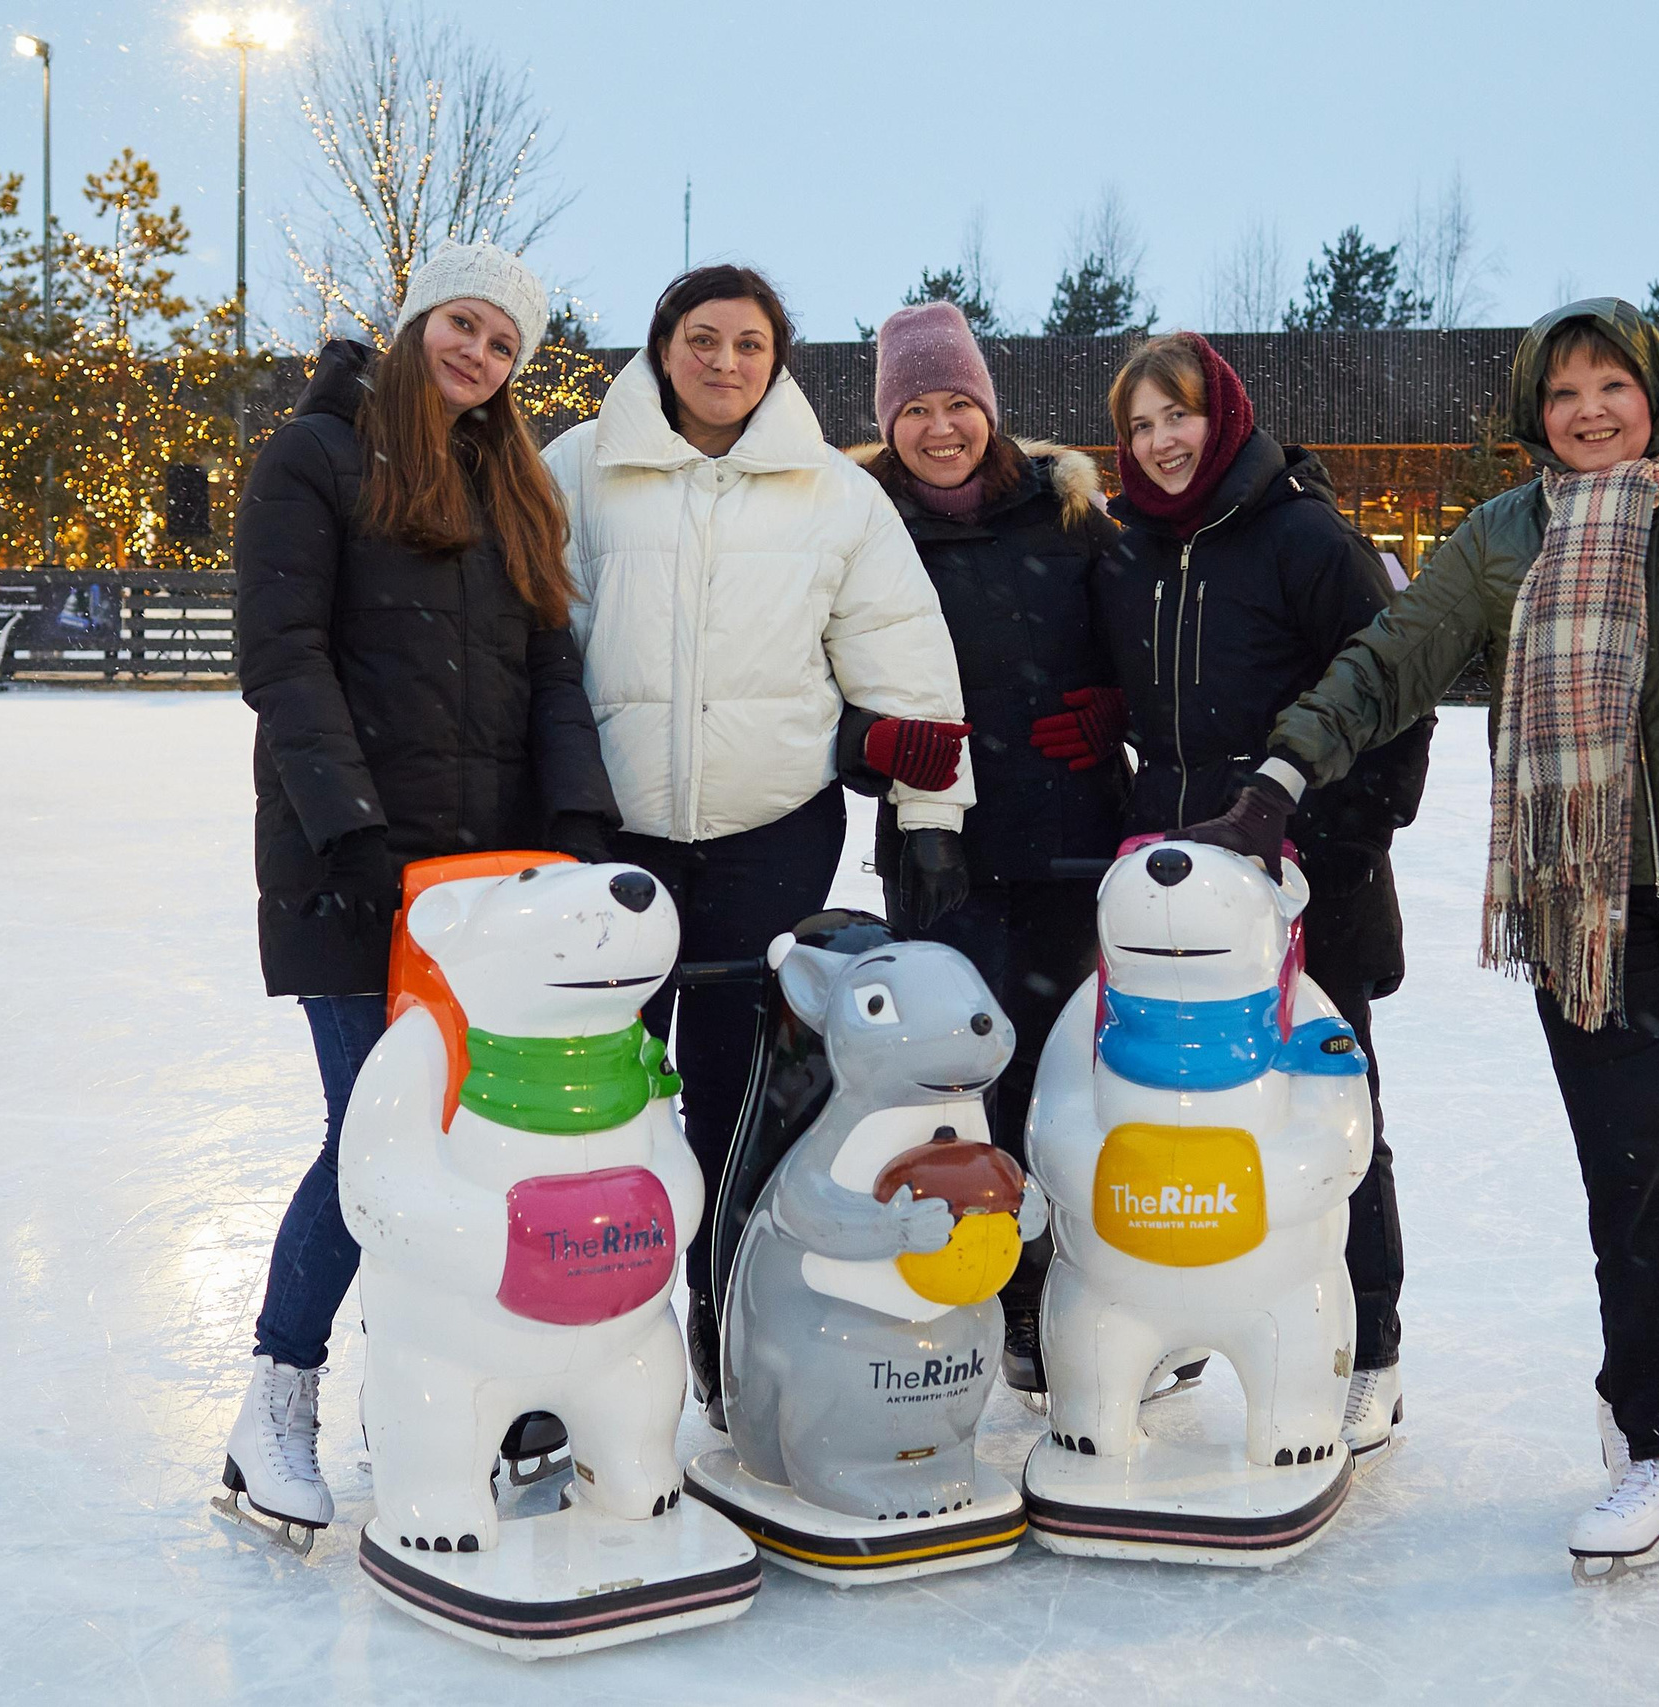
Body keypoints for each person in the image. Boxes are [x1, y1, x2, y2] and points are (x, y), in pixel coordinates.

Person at [1188, 298, 1659, 1571]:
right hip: (1577, 897)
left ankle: (1639, 1385)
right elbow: (1388, 661)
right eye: (1563, 393)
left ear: (1651, 396)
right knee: (1633, 1170)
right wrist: (1282, 774)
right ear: (1534, 414)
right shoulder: (1500, 537)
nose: (1589, 411)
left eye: (1611, 385)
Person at [224, 242, 619, 1542]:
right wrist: (351, 833)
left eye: (504, 344)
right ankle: (278, 1396)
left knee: (485, 1141)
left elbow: (548, 668)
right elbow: (284, 656)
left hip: (483, 886)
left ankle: (469, 1394)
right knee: (374, 1140)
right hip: (348, 871)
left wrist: (573, 819)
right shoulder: (314, 457)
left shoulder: (512, 483)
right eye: (463, 324)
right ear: (414, 323)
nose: (479, 355)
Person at [543, 265, 972, 1412]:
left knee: (739, 1094)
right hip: (611, 843)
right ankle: (585, 1327)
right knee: (594, 1092)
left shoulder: (832, 492)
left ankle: (723, 1310)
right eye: (702, 338)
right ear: (661, 345)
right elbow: (532, 641)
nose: (724, 361)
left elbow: (901, 654)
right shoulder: (579, 469)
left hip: (768, 834)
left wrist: (931, 817)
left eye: (748, 343)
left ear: (777, 360)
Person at [1098, 332, 1435, 1459]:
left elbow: (1397, 699)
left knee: (1328, 1112)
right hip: (1174, 884)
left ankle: (1370, 1347)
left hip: (1304, 876)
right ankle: (1190, 1322)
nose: (1163, 441)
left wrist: (1338, 846)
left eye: (1179, 414)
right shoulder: (1132, 550)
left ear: (1226, 415)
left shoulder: (1306, 538)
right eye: (1142, 424)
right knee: (1175, 1107)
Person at [849, 300, 1128, 1390]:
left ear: (989, 408)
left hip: (1068, 836)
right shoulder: (861, 525)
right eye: (914, 408)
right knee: (957, 1078)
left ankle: (1066, 1284)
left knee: (1064, 1076)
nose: (940, 427)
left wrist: (1118, 708)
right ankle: (977, 1285)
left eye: (956, 403)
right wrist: (868, 748)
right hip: (940, 845)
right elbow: (817, 680)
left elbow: (1142, 641)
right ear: (888, 422)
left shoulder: (1066, 513)